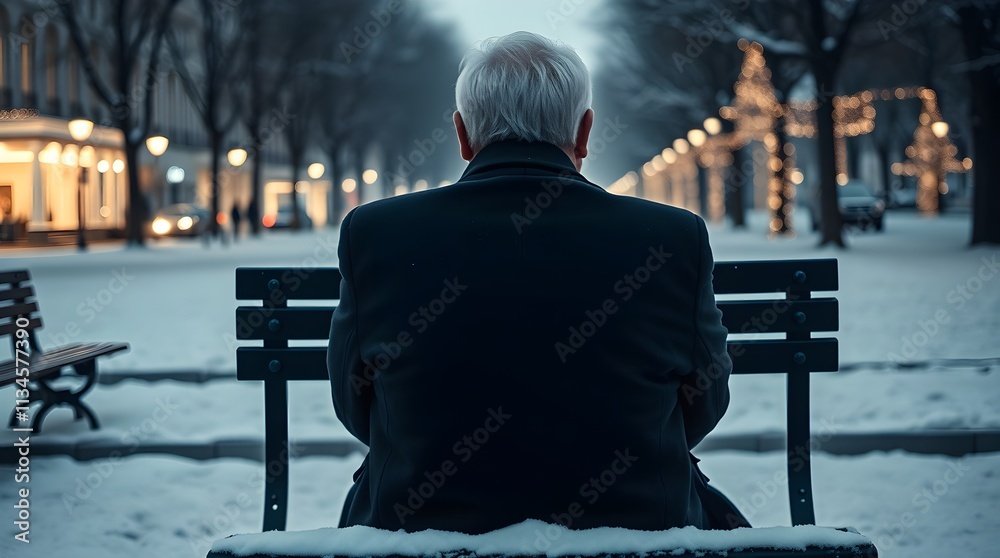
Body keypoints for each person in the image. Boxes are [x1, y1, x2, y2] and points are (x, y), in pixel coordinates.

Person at [327, 31, 745, 535]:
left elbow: (355, 402)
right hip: (636, 530)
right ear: (585, 131)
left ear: (462, 135)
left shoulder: (375, 233)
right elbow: (705, 401)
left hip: (417, 532)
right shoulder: (672, 237)